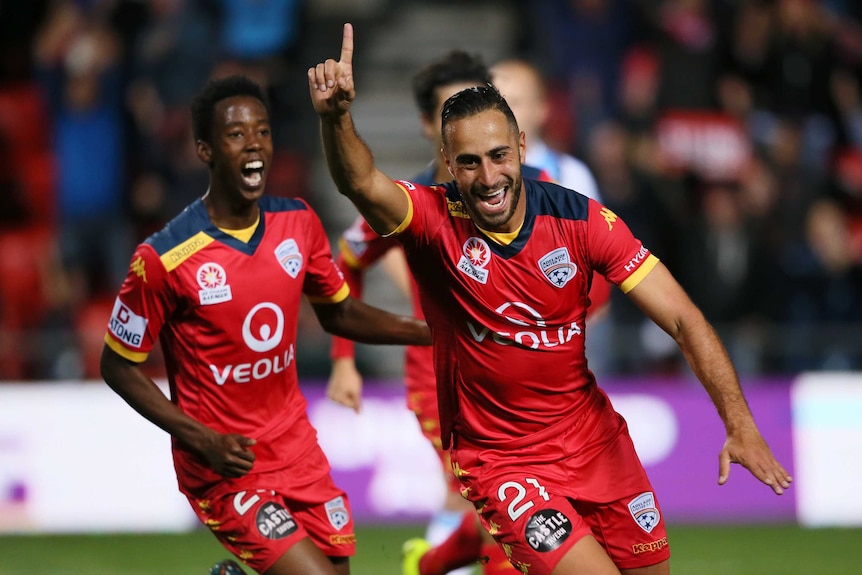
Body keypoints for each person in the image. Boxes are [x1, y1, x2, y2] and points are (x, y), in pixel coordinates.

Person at [309, 24, 792, 575]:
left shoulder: (581, 218)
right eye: (469, 162)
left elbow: (682, 318)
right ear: (446, 158)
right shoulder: (430, 217)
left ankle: (434, 562)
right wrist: (334, 118)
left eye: (498, 155)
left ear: (521, 146)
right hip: (503, 461)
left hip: (596, 445)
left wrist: (740, 423)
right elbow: (361, 184)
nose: (488, 177)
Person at [100, 74, 431, 575]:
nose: (254, 144)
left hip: (296, 446)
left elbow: (338, 311)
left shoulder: (296, 222)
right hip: (224, 462)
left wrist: (431, 331)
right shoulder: (164, 257)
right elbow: (117, 365)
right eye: (236, 134)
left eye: (263, 131)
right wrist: (200, 438)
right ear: (205, 150)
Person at [325, 50, 532, 575]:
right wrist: (345, 358)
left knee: (500, 501)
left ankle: (432, 562)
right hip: (441, 379)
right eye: (449, 112)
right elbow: (345, 262)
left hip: (520, 370)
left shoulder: (531, 191)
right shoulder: (404, 204)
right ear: (427, 125)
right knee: (496, 500)